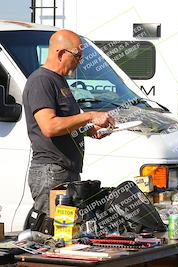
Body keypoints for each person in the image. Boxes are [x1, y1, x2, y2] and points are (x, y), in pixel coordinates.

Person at [22, 29, 115, 216]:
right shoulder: (41, 81)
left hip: (64, 171)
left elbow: (65, 124)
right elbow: (49, 127)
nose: (79, 62)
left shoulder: (59, 81)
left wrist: (89, 130)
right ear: (61, 53)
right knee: (54, 234)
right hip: (51, 172)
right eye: (77, 56)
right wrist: (89, 116)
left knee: (68, 233)